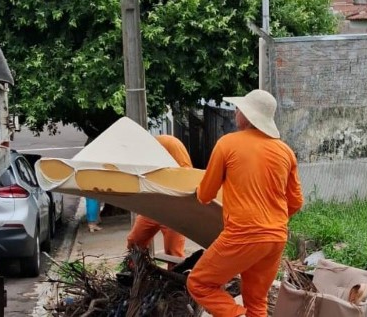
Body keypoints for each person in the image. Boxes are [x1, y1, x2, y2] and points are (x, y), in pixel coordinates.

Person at [186, 89, 304, 317]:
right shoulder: (285, 152)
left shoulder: (227, 144)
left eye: (239, 109)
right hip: (276, 237)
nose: (235, 113)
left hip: (243, 234)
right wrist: (270, 221)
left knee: (199, 283)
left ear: (248, 116)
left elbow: (205, 195)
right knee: (257, 302)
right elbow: (296, 202)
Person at [126, 134, 192, 269]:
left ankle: (175, 283)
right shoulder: (144, 154)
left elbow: (186, 174)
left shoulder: (169, 143)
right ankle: (134, 273)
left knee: (173, 252)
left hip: (174, 208)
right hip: (154, 206)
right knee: (134, 240)